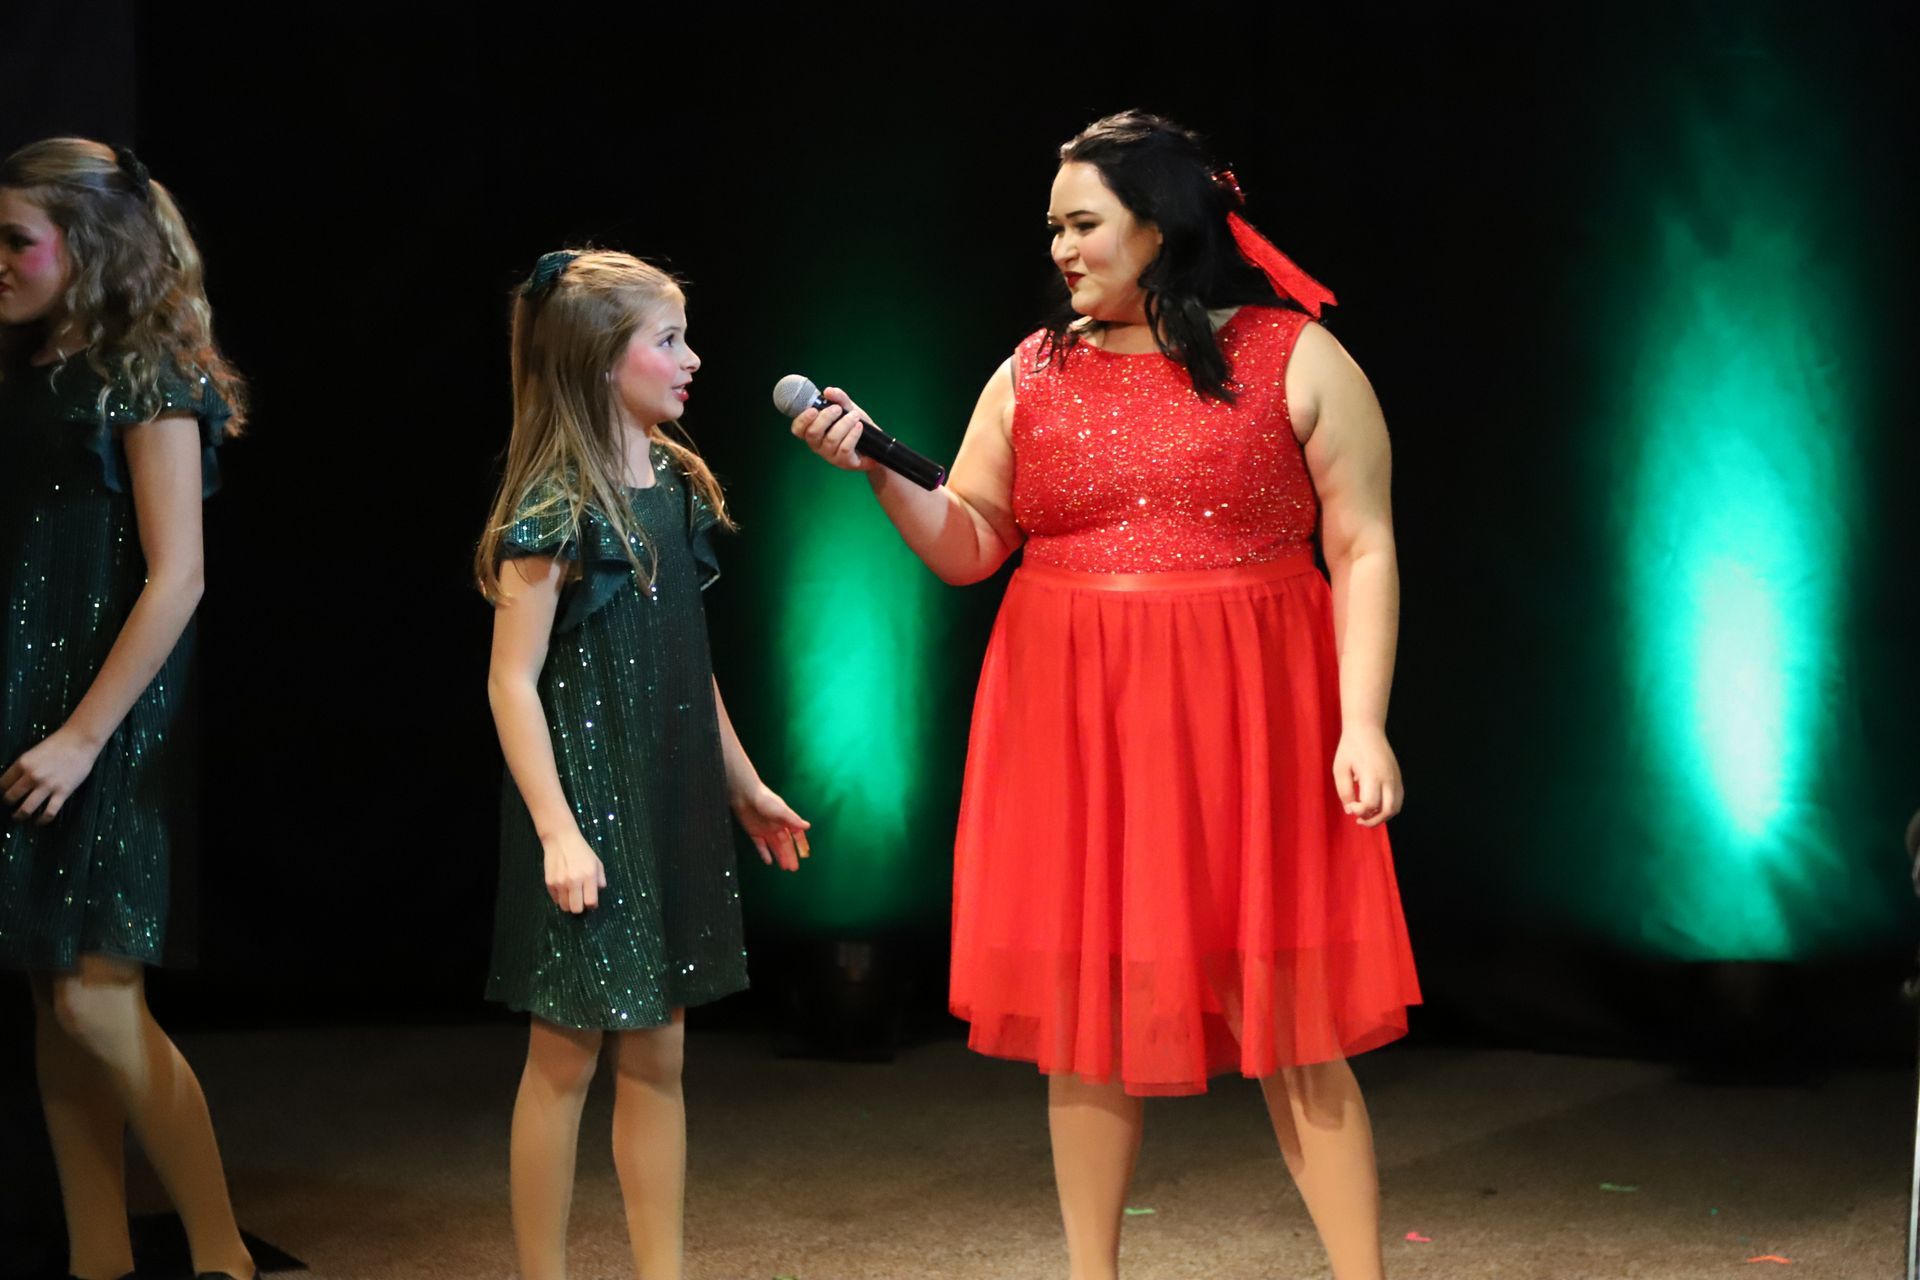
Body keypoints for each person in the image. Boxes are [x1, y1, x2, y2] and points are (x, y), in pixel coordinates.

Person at [790, 112, 1420, 1279]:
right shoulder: (1035, 368)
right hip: (1076, 721)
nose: (1064, 249)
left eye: (1083, 223)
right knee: (1088, 1029)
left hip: (1251, 716)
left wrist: (1363, 719)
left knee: (1296, 1023)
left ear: (1161, 223)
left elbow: (1365, 544)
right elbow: (975, 542)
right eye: (1055, 229)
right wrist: (881, 465)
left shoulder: (1297, 355)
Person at [475, 249, 811, 1280]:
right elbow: (511, 681)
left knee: (661, 1053)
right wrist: (558, 829)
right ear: (597, 359)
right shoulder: (553, 501)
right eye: (668, 341)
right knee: (566, 1056)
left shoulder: (670, 482)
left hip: (667, 802)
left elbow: (685, 663)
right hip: (590, 805)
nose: (691, 358)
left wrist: (743, 780)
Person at [0, 137, 255, 1280]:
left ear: (88, 242)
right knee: (60, 1001)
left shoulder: (151, 375)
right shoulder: (35, 366)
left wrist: (81, 734)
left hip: (104, 713)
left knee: (99, 1001)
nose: (0, 260)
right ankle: (97, 1257)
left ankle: (221, 1255)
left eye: (16, 238)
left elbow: (180, 574)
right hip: (37, 696)